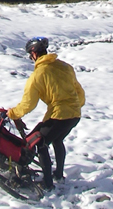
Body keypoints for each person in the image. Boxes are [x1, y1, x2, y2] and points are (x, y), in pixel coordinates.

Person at [7, 36, 85, 191]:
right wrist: (75, 106)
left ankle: (48, 184)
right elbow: (79, 91)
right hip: (74, 114)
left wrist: (13, 114)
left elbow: (28, 104)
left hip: (59, 115)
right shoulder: (65, 66)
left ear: (34, 54)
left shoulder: (37, 75)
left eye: (30, 54)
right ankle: (58, 175)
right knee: (57, 139)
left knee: (40, 143)